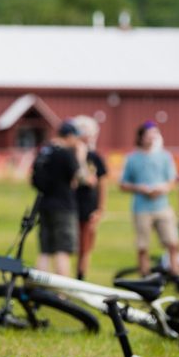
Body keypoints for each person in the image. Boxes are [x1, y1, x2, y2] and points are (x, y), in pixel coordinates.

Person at [120, 121, 179, 292]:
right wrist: (138, 188)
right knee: (143, 246)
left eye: (155, 134)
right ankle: (145, 278)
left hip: (162, 206)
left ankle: (176, 275)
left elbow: (172, 180)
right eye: (149, 134)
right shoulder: (132, 158)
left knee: (173, 243)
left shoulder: (165, 156)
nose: (152, 137)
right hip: (142, 208)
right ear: (141, 137)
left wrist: (163, 188)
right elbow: (123, 184)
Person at [32, 120, 81, 277]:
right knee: (63, 251)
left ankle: (39, 291)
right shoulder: (65, 153)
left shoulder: (44, 151)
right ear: (70, 136)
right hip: (63, 206)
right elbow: (77, 178)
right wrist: (80, 155)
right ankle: (62, 295)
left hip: (44, 204)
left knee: (45, 250)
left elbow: (34, 178)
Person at [73, 115, 107, 281]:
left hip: (88, 206)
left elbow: (102, 183)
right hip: (70, 205)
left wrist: (101, 208)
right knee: (68, 245)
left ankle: (80, 277)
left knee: (85, 246)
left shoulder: (95, 157)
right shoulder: (69, 154)